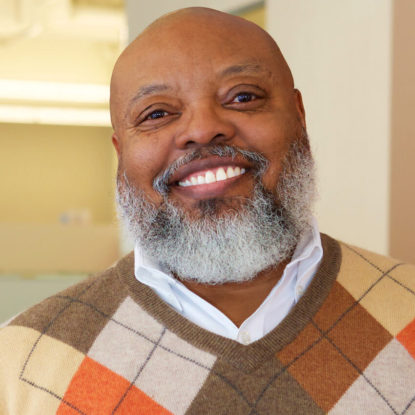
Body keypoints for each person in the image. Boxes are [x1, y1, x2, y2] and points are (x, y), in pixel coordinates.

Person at [1, 7, 414, 415]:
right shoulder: (22, 362)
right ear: (120, 152)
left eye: (243, 97)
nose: (202, 129)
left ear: (298, 117)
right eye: (157, 114)